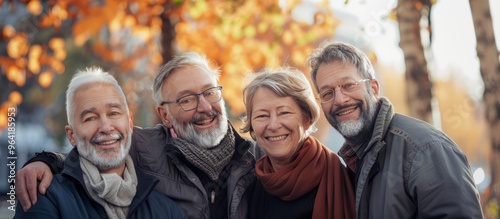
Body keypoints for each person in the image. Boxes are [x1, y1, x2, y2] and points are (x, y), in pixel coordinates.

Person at [15, 53, 264, 219]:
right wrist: (45, 161)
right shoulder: (147, 147)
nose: (205, 107)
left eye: (210, 93)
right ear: (165, 116)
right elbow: (96, 150)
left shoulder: (258, 157)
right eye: (186, 100)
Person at [307, 40, 483, 218]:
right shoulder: (353, 161)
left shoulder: (425, 150)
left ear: (374, 88)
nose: (339, 100)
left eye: (348, 85)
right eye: (327, 93)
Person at [13, 67, 186, 219]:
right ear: (71, 135)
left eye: (113, 113)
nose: (106, 127)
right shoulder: (44, 198)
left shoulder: (166, 209)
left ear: (130, 123)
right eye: (90, 118)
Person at [240, 67, 355, 219]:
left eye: (284, 113)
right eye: (262, 115)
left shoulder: (342, 178)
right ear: (252, 126)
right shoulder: (247, 185)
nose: (273, 125)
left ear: (306, 119)